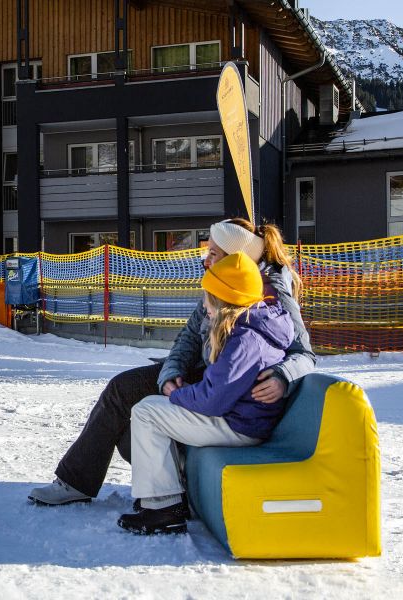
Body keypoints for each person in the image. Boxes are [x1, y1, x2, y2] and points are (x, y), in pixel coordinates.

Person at [29, 218, 315, 506]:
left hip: (232, 389)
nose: (206, 258)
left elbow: (305, 354)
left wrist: (282, 376)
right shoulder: (220, 278)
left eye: (213, 253)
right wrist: (171, 371)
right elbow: (190, 335)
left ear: (236, 259)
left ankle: (171, 484)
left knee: (138, 426)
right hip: (208, 373)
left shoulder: (273, 289)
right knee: (122, 391)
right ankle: (75, 482)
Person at [117, 252, 294, 535]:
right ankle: (164, 498)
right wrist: (184, 393)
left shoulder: (245, 339)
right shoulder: (251, 324)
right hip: (242, 418)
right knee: (150, 407)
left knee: (146, 413)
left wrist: (178, 395)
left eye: (208, 297)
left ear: (225, 300)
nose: (204, 304)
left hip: (239, 426)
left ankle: (163, 508)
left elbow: (213, 399)